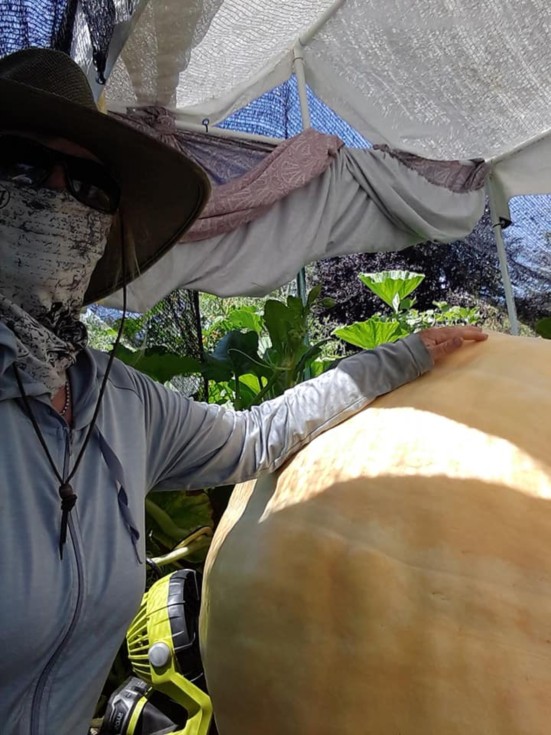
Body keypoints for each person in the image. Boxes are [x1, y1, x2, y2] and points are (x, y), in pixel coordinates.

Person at [0, 47, 488, 735]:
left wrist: (400, 357)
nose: (58, 196)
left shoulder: (121, 402)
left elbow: (254, 436)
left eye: (88, 185)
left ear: (105, 228)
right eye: (22, 166)